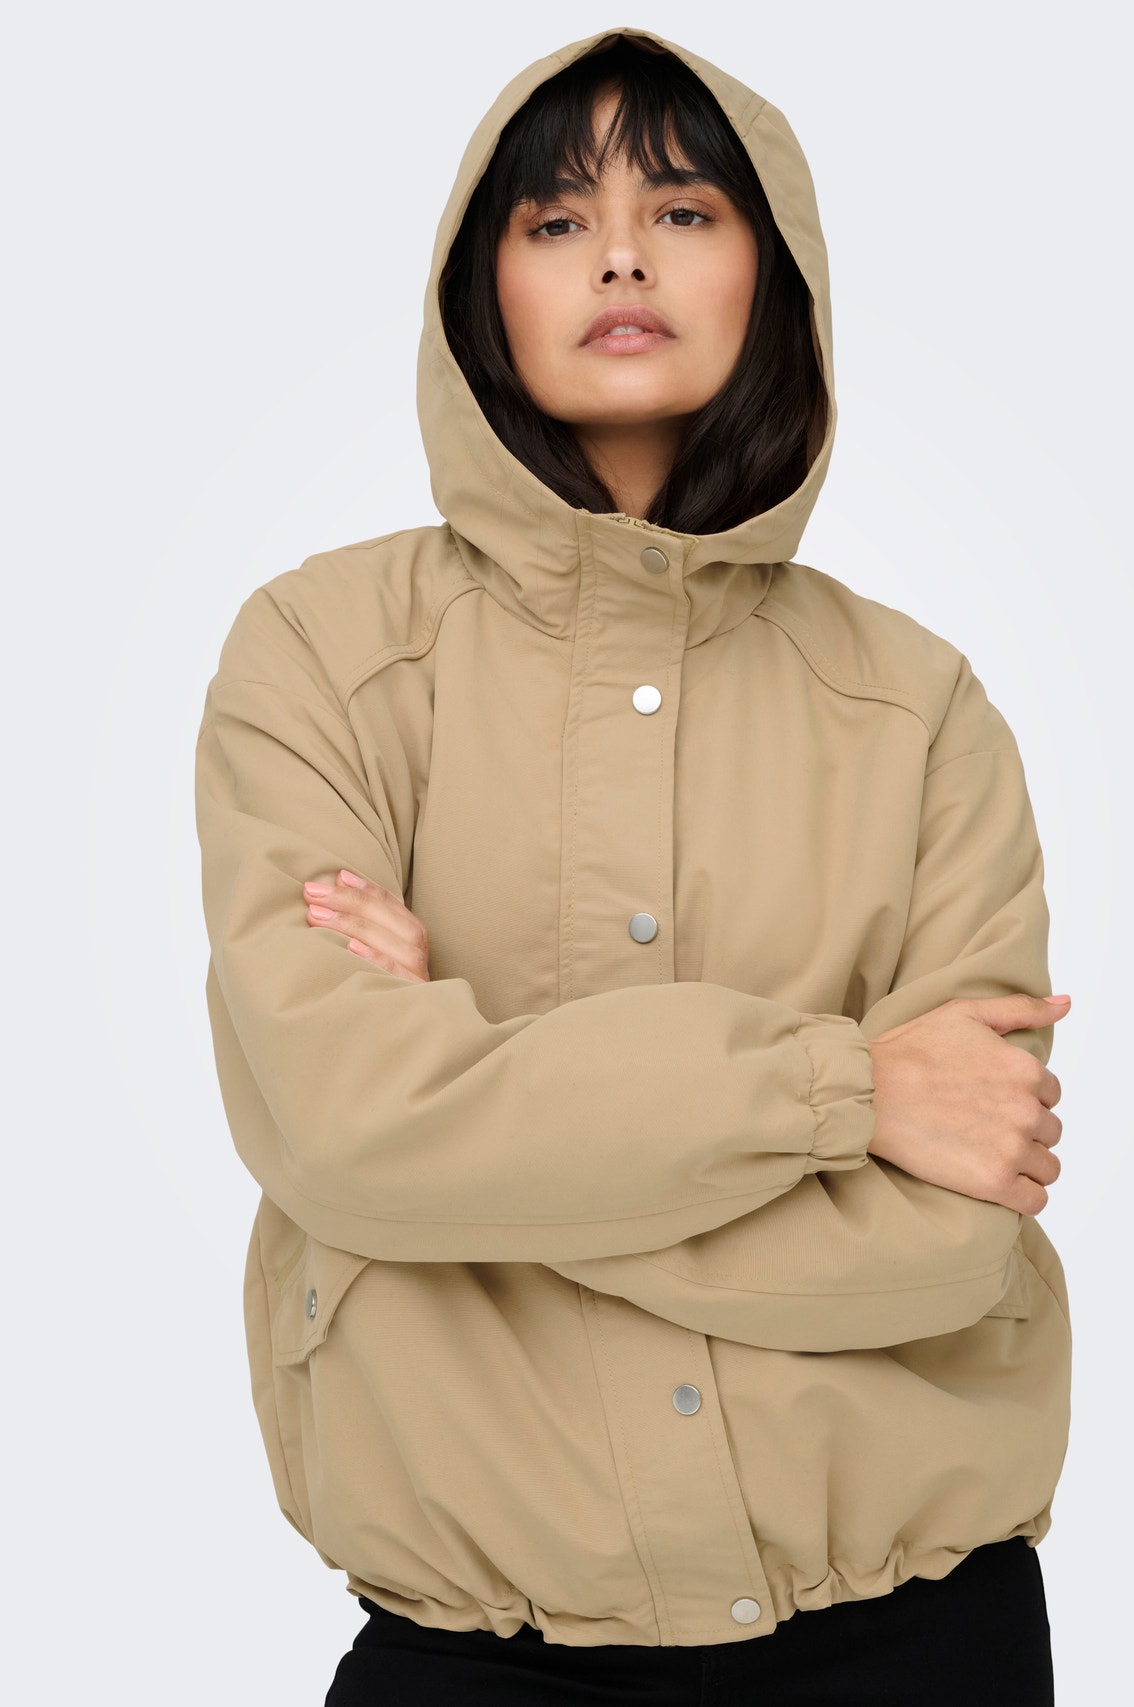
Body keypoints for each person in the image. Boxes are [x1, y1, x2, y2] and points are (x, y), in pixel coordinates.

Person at [193, 24, 1072, 1706]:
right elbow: (348, 1131)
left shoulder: (918, 707)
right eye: (554, 221)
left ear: (772, 272)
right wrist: (846, 1097)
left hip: (918, 1646)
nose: (618, 257)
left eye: (680, 211)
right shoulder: (321, 655)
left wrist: (477, 1159)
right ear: (481, 291)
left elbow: (953, 1236)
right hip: (477, 1664)